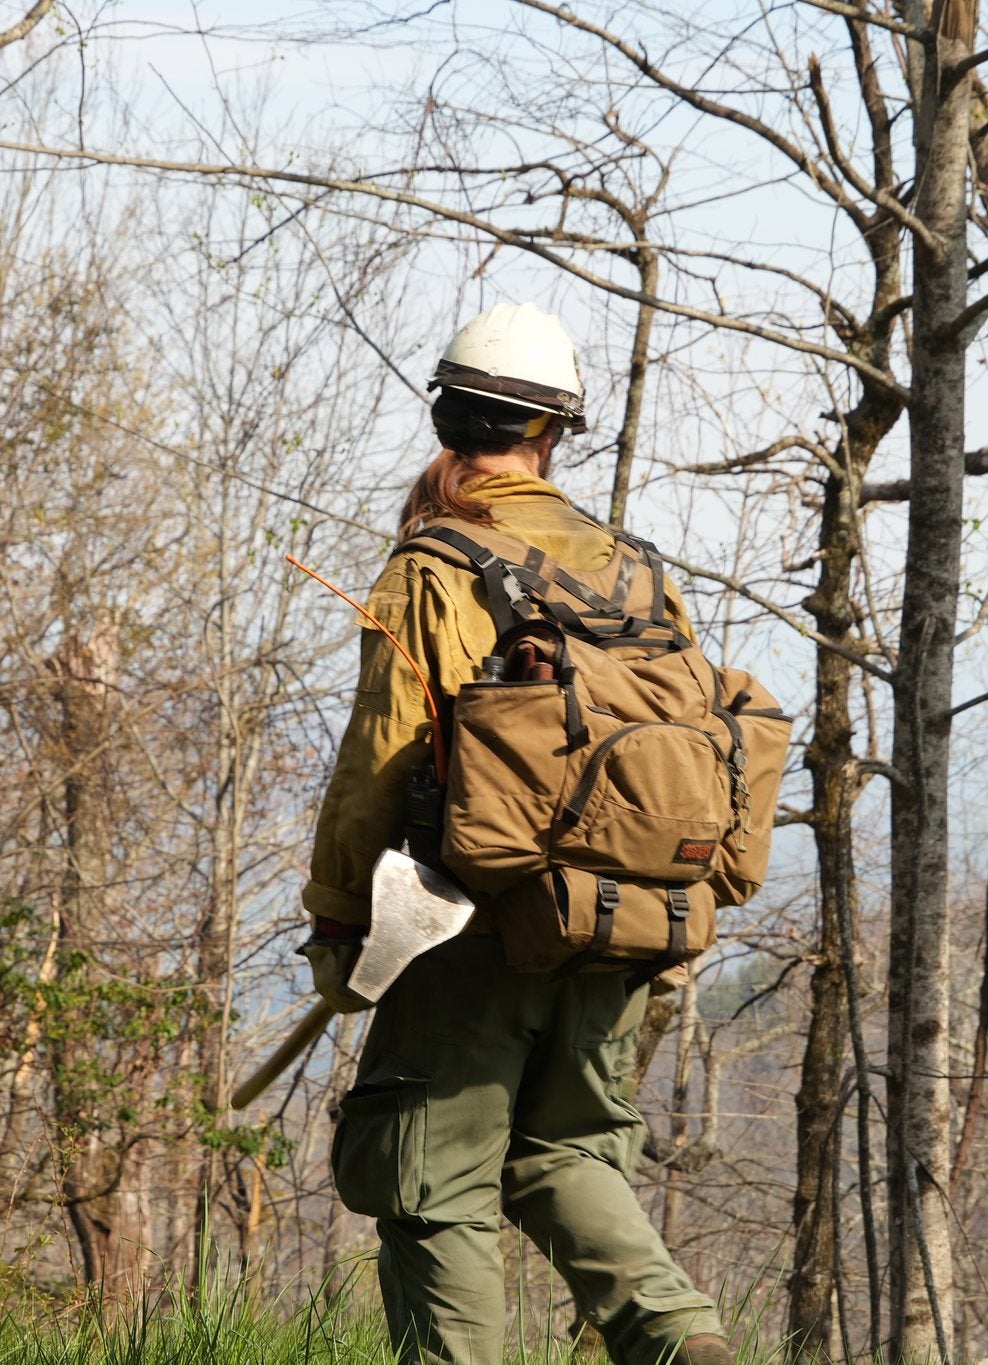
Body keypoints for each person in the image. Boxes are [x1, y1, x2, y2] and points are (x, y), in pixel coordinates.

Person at [302, 302, 732, 1365]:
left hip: (467, 924)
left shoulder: (433, 567)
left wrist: (337, 921)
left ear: (446, 418)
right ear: (551, 435)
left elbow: (379, 765)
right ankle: (682, 1343)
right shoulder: (637, 573)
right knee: (564, 1155)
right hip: (622, 918)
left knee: (428, 1178)